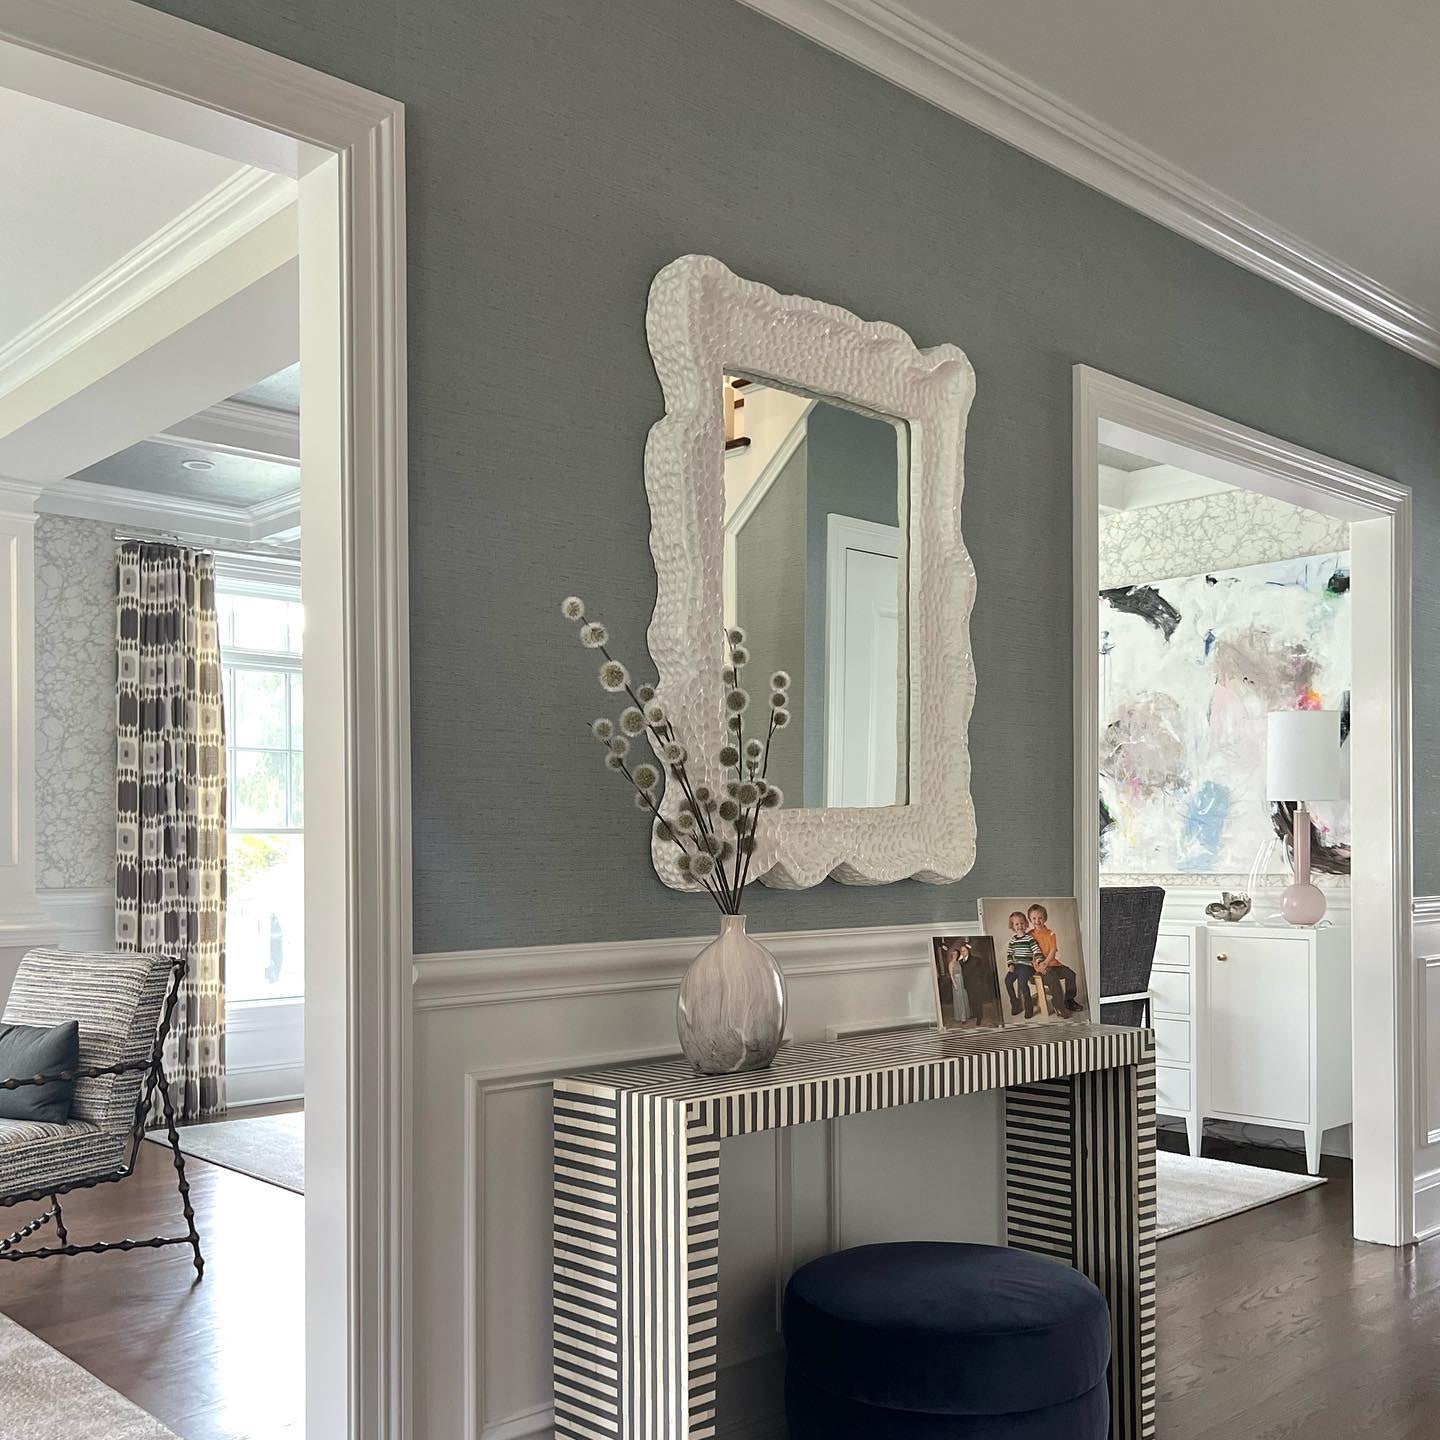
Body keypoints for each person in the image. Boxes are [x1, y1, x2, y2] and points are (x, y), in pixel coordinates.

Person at [1028, 903, 1083, 1016]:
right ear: (1030, 919)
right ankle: (1059, 1007)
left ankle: (1069, 1000)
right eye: (1034, 918)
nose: (1037, 921)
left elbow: (1053, 950)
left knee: (1070, 974)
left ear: (1045, 919)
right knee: (1053, 979)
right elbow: (1030, 954)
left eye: (1040, 918)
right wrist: (1039, 967)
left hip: (1052, 964)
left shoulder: (1051, 934)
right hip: (1037, 968)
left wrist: (1046, 963)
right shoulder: (1029, 935)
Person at [1003, 912, 1042, 1018]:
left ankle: (1028, 1008)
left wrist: (1040, 962)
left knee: (1022, 983)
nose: (1020, 926)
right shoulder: (1013, 940)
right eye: (1017, 924)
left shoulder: (1029, 939)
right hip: (1016, 966)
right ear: (1013, 926)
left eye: (1022, 923)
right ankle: (1016, 1005)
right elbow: (1010, 954)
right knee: (1007, 981)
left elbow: (1037, 951)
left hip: (1027, 966)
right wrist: (1010, 964)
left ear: (1026, 924)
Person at [957, 940, 998, 1027]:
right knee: (972, 1001)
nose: (963, 952)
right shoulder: (960, 962)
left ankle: (980, 1016)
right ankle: (975, 1014)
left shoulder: (976, 959)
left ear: (968, 951)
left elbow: (983, 971)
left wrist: (982, 982)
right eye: (961, 951)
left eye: (964, 950)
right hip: (968, 985)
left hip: (977, 984)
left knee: (978, 1001)